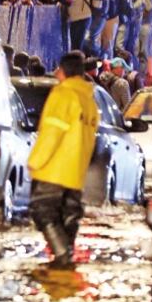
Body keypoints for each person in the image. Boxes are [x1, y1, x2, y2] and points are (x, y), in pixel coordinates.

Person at [28, 51, 100, 269]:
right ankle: (65, 258)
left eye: (58, 69)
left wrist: (36, 160)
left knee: (43, 211)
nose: (56, 73)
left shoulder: (63, 95)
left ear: (65, 72)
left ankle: (62, 255)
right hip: (76, 173)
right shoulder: (88, 102)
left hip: (54, 169)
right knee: (68, 216)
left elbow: (52, 132)